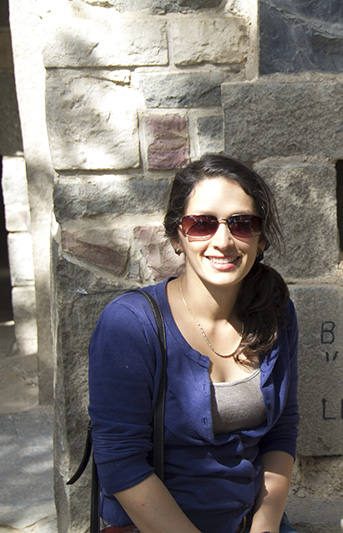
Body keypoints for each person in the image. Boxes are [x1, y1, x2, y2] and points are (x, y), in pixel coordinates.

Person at [88, 154, 299, 533]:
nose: (223, 240)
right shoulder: (130, 325)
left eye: (242, 224)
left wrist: (265, 527)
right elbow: (120, 460)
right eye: (201, 224)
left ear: (261, 237)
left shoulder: (274, 313)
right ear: (176, 238)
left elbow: (281, 430)